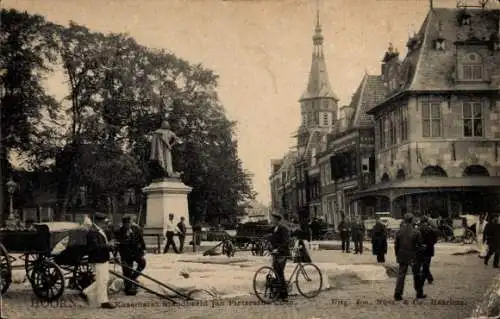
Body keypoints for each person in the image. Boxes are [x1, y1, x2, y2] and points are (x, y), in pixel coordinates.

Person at [80, 213, 116, 309]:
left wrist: (109, 245)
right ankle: (104, 301)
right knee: (102, 280)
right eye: (104, 222)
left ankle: (86, 292)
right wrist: (108, 246)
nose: (105, 224)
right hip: (98, 259)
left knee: (104, 279)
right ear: (99, 222)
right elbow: (94, 247)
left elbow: (101, 244)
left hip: (102, 258)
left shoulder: (99, 230)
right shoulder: (92, 232)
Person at [394, 213, 426, 301]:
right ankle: (419, 293)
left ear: (404, 220)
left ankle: (398, 293)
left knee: (401, 275)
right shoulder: (416, 232)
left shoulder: (399, 231)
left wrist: (397, 254)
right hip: (413, 256)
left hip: (402, 255)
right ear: (412, 220)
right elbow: (419, 246)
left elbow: (396, 245)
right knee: (417, 274)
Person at [116, 216, 146, 295]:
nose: (128, 225)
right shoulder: (119, 231)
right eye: (126, 223)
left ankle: (132, 278)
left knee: (143, 263)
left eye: (129, 223)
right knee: (126, 271)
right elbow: (119, 243)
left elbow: (141, 239)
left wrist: (143, 249)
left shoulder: (136, 229)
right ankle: (128, 287)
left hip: (136, 252)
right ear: (123, 224)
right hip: (125, 254)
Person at [267, 212, 291, 302]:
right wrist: (269, 246)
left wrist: (278, 249)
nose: (271, 220)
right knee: (276, 271)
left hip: (283, 253)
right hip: (276, 253)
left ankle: (284, 295)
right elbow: (270, 238)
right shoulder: (274, 229)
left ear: (277, 220)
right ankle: (278, 293)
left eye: (272, 219)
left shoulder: (283, 229)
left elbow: (285, 242)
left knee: (280, 272)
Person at [417, 215, 437, 284]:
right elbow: (435, 240)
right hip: (429, 249)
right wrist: (429, 244)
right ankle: (429, 278)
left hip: (420, 249)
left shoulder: (418, 230)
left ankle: (426, 278)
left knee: (423, 265)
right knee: (426, 265)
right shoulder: (431, 230)